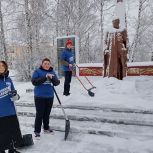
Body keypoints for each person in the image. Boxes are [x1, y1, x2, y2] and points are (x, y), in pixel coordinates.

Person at [31, 58, 60, 138]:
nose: (47, 65)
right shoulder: (37, 71)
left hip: (50, 96)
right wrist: (45, 77)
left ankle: (46, 128)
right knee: (40, 114)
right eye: (45, 63)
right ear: (42, 64)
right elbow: (34, 82)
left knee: (47, 114)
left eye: (48, 64)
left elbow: (57, 83)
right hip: (39, 97)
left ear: (50, 64)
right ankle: (37, 131)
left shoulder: (52, 72)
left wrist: (52, 78)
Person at [0, 61, 22, 153]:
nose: (1, 67)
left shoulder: (8, 79)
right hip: (0, 113)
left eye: (3, 65)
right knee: (2, 134)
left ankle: (11, 149)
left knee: (12, 132)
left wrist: (15, 96)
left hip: (11, 111)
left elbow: (14, 94)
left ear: (5, 67)